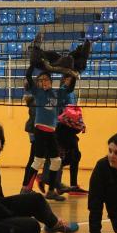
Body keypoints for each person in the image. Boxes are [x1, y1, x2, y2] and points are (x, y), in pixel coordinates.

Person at [22, 68, 71, 197]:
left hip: (51, 132)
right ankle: (26, 189)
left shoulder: (57, 93)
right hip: (40, 131)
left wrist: (72, 74)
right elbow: (28, 76)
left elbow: (69, 88)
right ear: (38, 83)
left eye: (46, 79)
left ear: (50, 81)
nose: (44, 82)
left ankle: (50, 191)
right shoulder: (37, 93)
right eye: (41, 80)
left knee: (56, 161)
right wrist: (33, 65)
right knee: (38, 161)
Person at [55, 74, 88, 195]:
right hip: (62, 128)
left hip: (70, 128)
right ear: (63, 80)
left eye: (71, 79)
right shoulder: (61, 92)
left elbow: (74, 111)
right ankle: (49, 177)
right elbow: (60, 109)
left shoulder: (72, 93)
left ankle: (50, 177)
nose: (70, 81)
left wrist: (80, 123)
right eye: (68, 79)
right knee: (72, 156)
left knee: (73, 156)